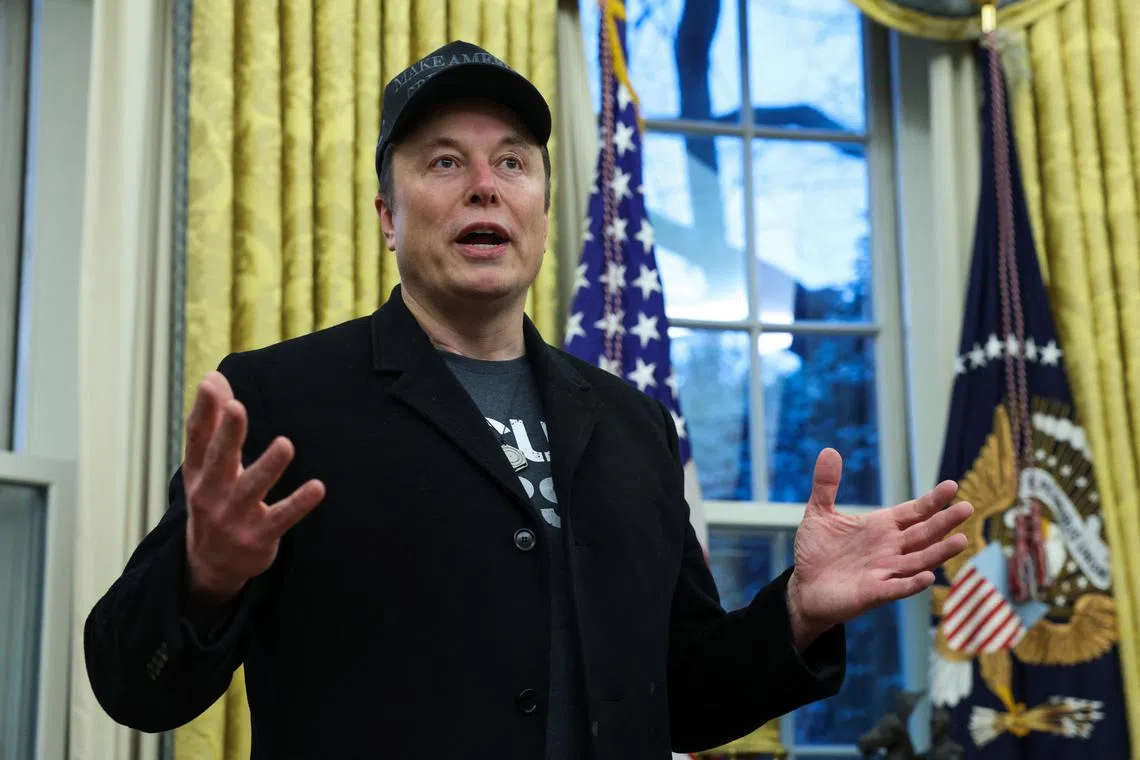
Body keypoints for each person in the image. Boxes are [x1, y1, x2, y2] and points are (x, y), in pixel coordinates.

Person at [84, 40, 972, 759]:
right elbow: (135, 686)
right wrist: (203, 578)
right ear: (388, 216)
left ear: (542, 203)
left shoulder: (634, 425)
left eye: (513, 161)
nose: (486, 184)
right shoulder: (280, 398)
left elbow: (682, 696)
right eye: (444, 161)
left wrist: (796, 611)